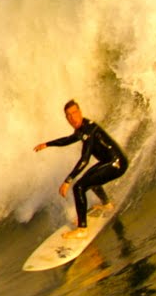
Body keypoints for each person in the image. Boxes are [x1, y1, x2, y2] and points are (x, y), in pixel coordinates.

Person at [34, 99, 128, 236]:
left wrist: (68, 180)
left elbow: (85, 159)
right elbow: (68, 139)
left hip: (116, 163)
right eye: (68, 115)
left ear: (80, 112)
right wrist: (47, 144)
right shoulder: (82, 128)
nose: (72, 118)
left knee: (79, 187)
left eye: (74, 113)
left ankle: (82, 229)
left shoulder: (88, 130)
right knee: (89, 178)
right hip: (112, 161)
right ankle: (107, 205)